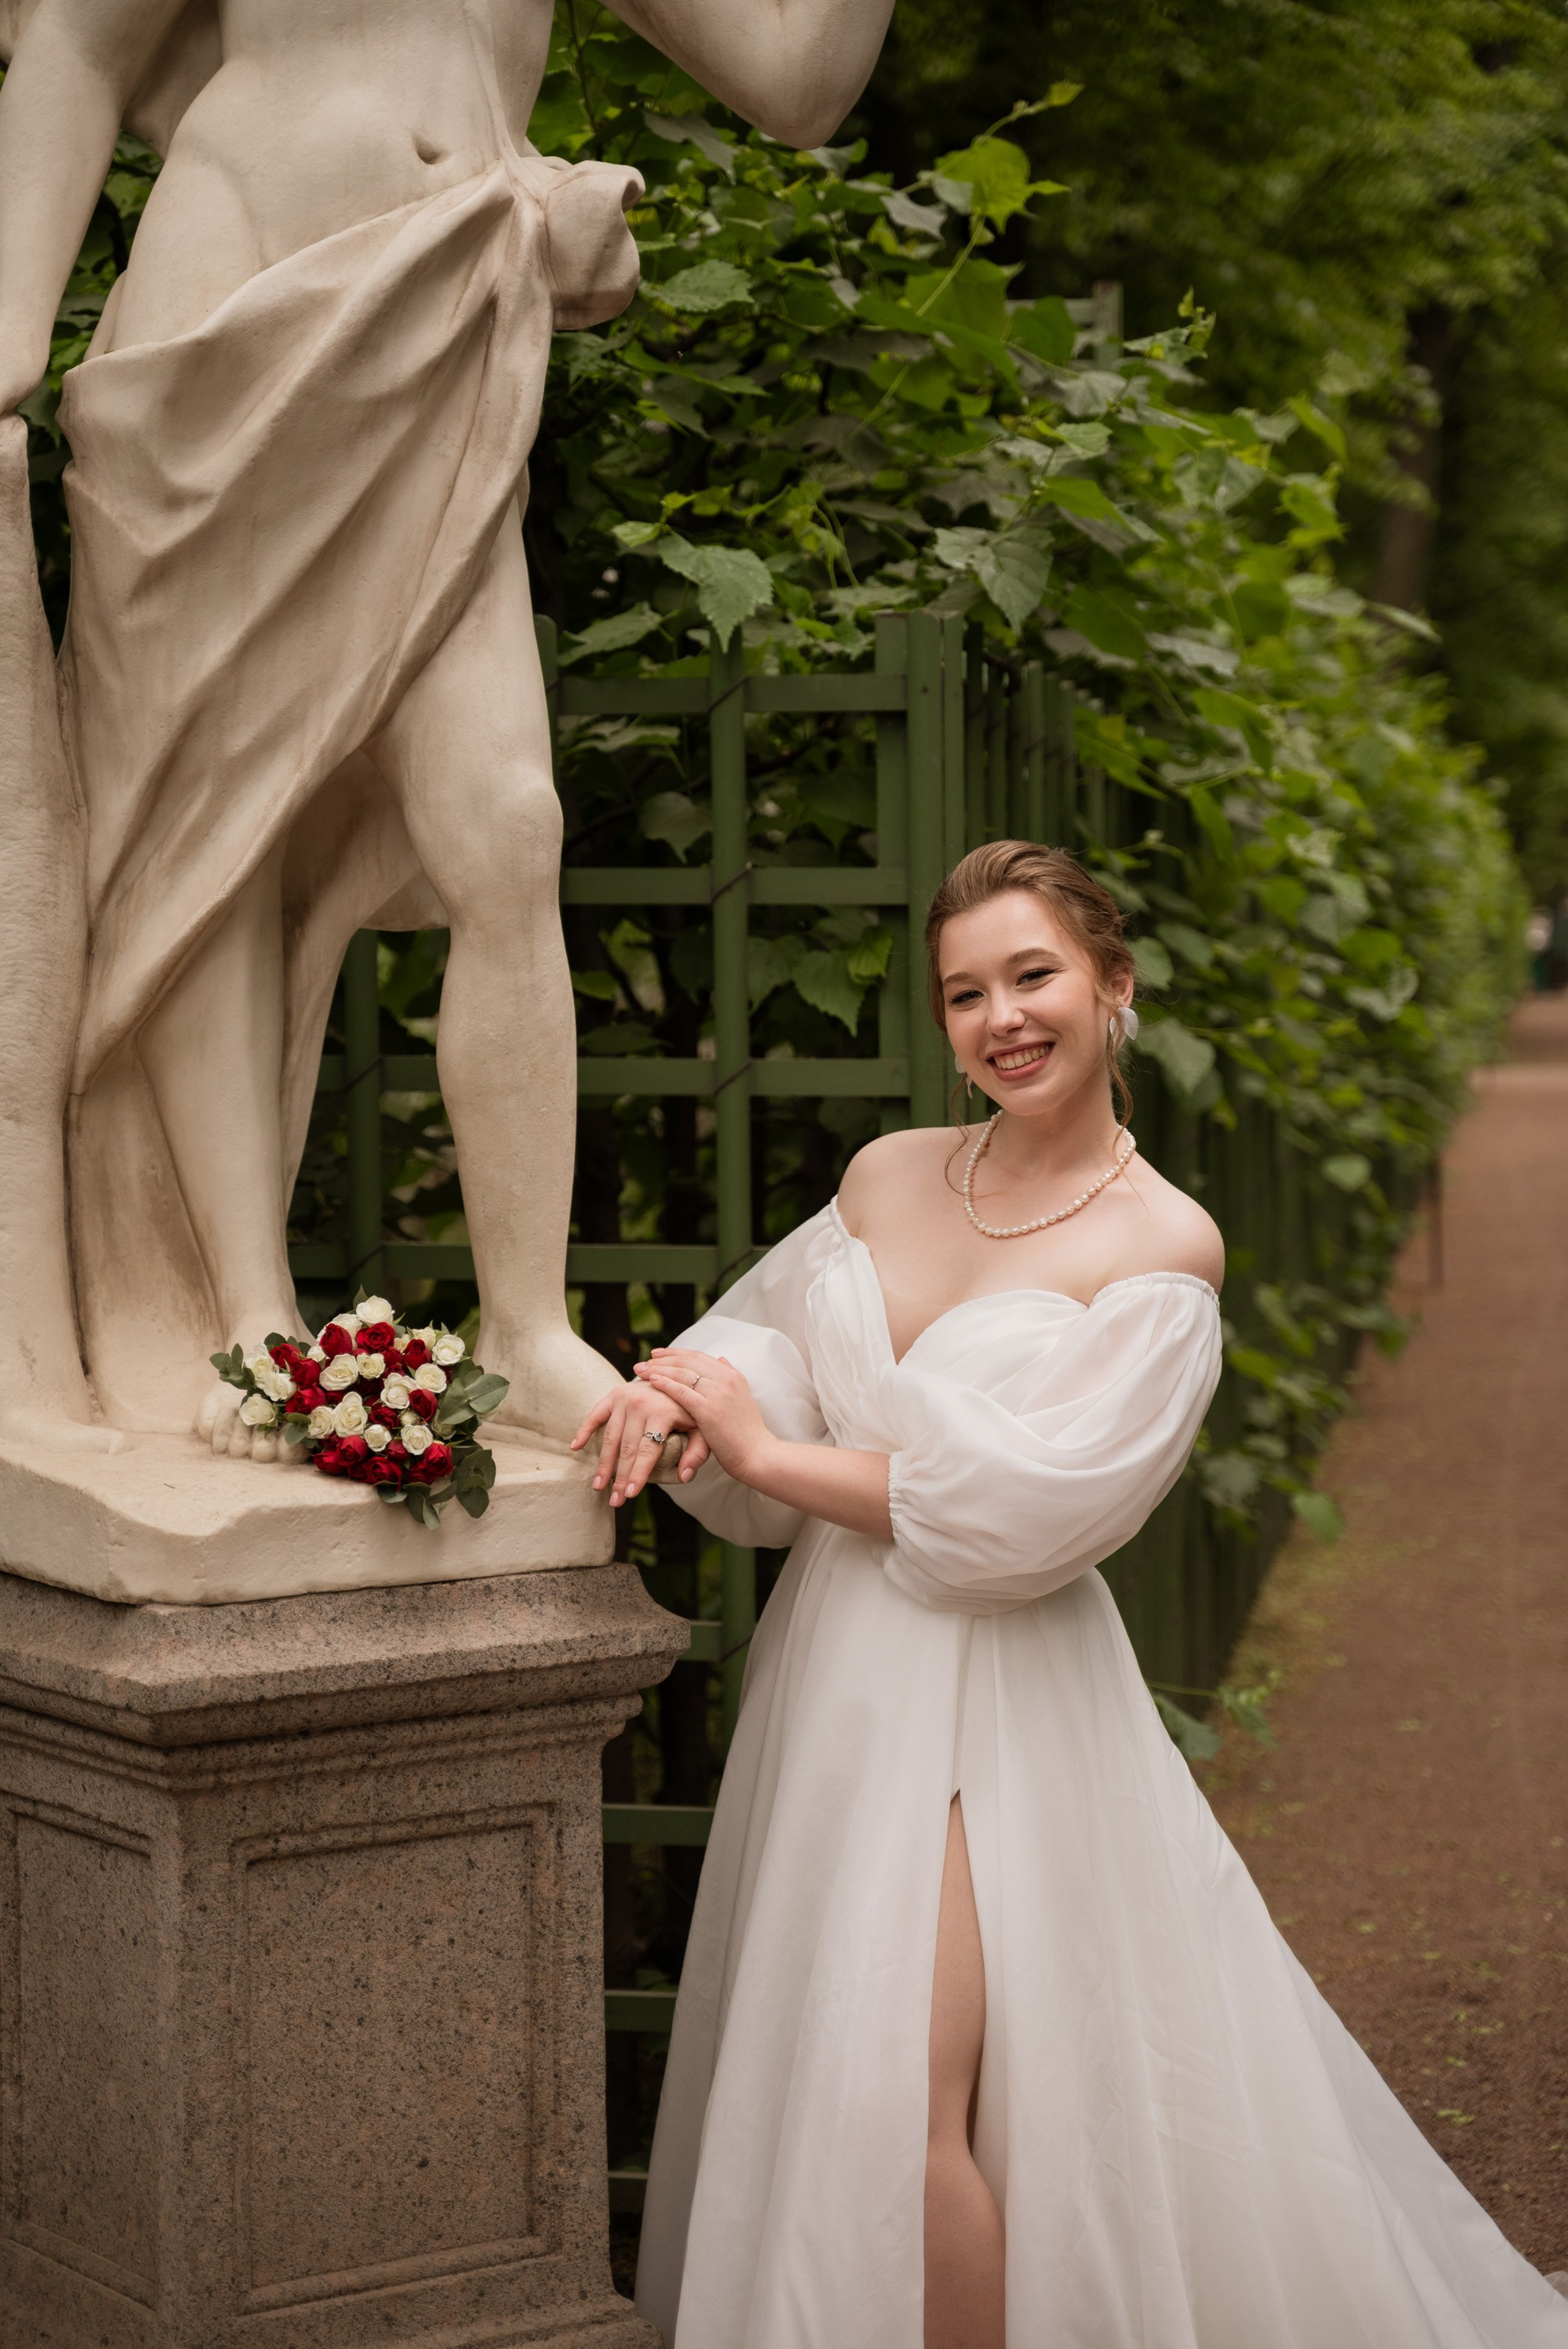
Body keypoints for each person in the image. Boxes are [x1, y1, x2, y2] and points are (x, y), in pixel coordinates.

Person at [575, 840, 1568, 2349]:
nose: (1002, 1019)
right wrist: (692, 1396)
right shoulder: (890, 1174)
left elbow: (1025, 1517)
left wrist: (776, 1451)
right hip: (840, 1675)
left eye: (1033, 976)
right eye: (966, 993)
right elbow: (773, 1334)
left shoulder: (1162, 1248)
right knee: (835, 2064)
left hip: (999, 1697)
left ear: (1114, 985)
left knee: (903, 2096)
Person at [0, 0, 895, 1455]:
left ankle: (526, 1324)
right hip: (227, 322)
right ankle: (247, 1316)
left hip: (443, 330)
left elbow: (793, 81)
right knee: (216, 830)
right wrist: (9, 329)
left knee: (503, 826)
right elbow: (84, 48)